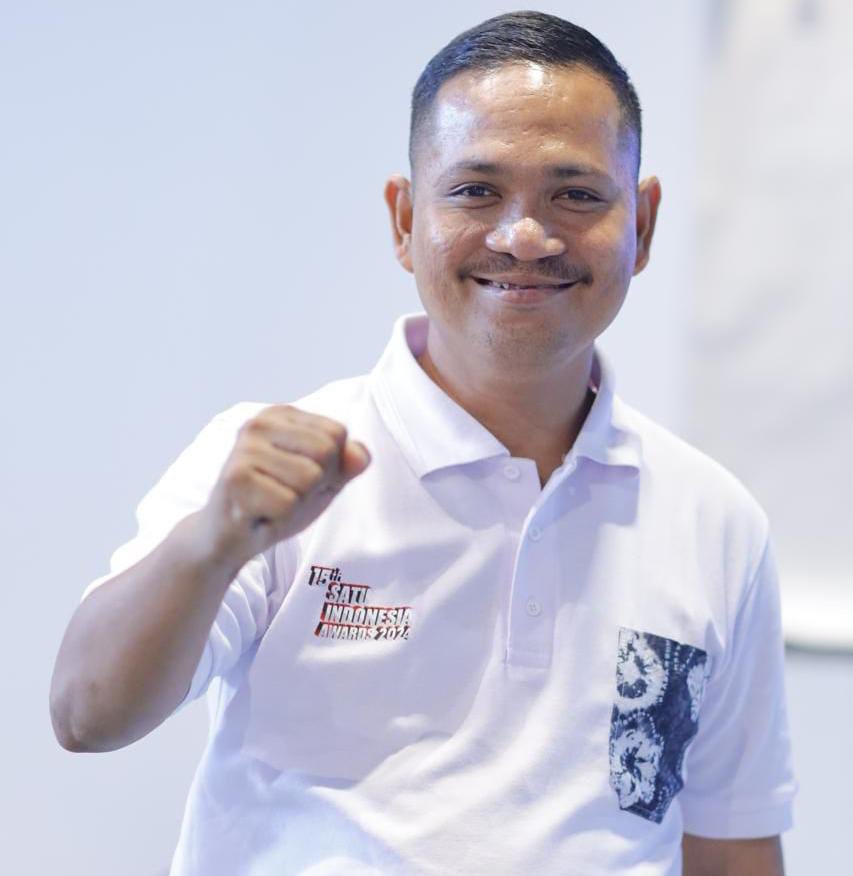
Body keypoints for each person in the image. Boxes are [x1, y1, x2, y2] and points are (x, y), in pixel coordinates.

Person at [49, 11, 796, 875]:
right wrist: (212, 540)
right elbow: (86, 715)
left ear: (644, 223)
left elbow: (730, 841)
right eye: (476, 191)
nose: (524, 235)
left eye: (576, 194)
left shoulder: (713, 519)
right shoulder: (268, 475)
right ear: (404, 220)